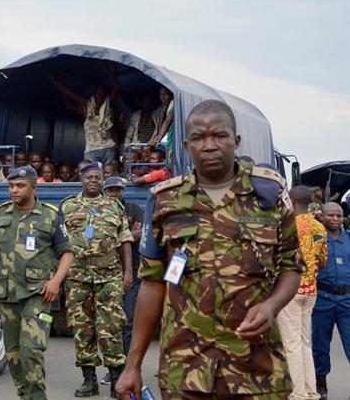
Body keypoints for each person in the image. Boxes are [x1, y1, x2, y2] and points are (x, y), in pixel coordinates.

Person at [116, 99, 305, 400]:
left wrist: (272, 307)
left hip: (256, 371)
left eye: (219, 136)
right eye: (200, 138)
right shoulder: (165, 200)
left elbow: (291, 267)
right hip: (186, 370)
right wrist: (133, 365)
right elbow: (152, 284)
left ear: (236, 141)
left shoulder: (267, 196)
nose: (210, 145)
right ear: (186, 145)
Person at [0, 165, 74, 400]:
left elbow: (67, 252)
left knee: (31, 350)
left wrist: (56, 281)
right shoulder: (2, 213)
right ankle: (25, 396)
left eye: (20, 186)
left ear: (34, 187)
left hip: (38, 294)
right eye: (11, 186)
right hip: (8, 294)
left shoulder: (50, 215)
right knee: (14, 355)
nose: (14, 190)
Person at [61, 162, 134, 398]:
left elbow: (125, 240)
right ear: (81, 179)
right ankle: (89, 381)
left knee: (112, 327)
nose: (93, 180)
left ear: (103, 180)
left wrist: (128, 272)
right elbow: (60, 245)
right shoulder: (68, 206)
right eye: (89, 176)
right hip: (77, 276)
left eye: (98, 177)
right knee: (82, 328)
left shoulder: (114, 206)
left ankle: (115, 381)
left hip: (109, 275)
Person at [276, 186, 327, 400]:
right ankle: (311, 391)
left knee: (292, 344)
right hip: (311, 291)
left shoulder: (287, 225)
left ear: (293, 200)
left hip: (290, 291)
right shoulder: (319, 227)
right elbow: (323, 262)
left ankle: (298, 394)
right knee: (305, 343)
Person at [99, 176, 143, 386]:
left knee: (129, 322)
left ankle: (129, 366)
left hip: (131, 273)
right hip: (105, 275)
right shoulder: (96, 211)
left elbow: (141, 234)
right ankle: (114, 368)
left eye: (118, 190)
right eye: (110, 190)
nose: (114, 194)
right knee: (110, 323)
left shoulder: (134, 208)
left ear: (123, 191)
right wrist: (127, 234)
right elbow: (92, 238)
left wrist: (112, 237)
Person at [46, 64, 119, 165]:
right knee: (91, 174)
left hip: (108, 148)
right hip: (91, 150)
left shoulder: (108, 106)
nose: (99, 96)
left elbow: (115, 88)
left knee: (109, 175)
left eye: (102, 94)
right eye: (97, 94)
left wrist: (112, 73)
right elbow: (66, 91)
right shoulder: (87, 106)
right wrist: (49, 75)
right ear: (93, 95)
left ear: (105, 96)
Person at [313, 202, 350, 400]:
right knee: (320, 346)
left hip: (347, 300)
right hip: (323, 300)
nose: (335, 219)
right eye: (331, 215)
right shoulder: (316, 238)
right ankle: (321, 383)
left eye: (339, 215)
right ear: (322, 216)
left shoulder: (349, 239)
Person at [149, 87, 175, 153]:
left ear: (171, 95)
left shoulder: (173, 104)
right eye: (161, 95)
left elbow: (167, 121)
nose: (162, 97)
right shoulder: (165, 108)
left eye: (165, 94)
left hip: (173, 144)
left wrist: (157, 140)